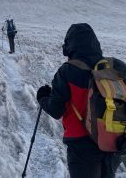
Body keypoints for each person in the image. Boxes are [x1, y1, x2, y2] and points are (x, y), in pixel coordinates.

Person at [36, 23, 125, 178]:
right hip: (113, 140)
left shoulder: (67, 71)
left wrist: (43, 97)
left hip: (81, 146)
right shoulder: (117, 66)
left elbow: (56, 110)